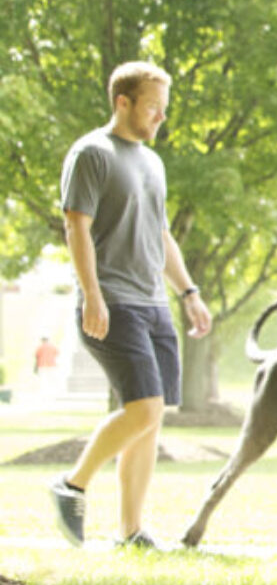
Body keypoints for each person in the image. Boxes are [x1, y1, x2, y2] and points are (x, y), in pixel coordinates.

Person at [50, 60, 212, 548]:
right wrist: (92, 294)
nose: (161, 117)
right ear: (123, 103)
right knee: (143, 408)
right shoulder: (92, 153)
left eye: (164, 108)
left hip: (153, 302)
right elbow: (75, 225)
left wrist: (188, 292)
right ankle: (71, 484)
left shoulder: (152, 162)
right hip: (113, 298)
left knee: (152, 417)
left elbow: (160, 235)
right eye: (153, 107)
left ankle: (131, 531)